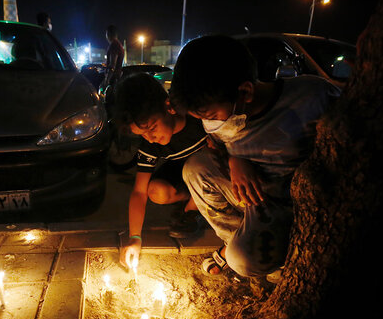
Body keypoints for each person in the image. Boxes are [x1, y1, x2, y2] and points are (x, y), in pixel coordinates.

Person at [170, 35, 340, 287]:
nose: (211, 124)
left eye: (212, 115)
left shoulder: (311, 97)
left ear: (245, 92)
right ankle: (235, 238)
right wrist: (234, 162)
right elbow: (216, 147)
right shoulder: (221, 116)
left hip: (288, 205)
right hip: (251, 192)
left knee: (243, 262)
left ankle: (264, 254)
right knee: (195, 169)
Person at [115, 73, 207, 269]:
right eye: (142, 134)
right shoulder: (150, 146)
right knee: (155, 190)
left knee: (198, 166)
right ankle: (191, 198)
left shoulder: (198, 121)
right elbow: (139, 192)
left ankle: (193, 210)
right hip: (183, 174)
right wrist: (135, 238)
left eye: (152, 127)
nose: (150, 138)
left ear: (168, 107)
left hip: (209, 169)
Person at [102, 25, 124, 94]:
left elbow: (112, 65)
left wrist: (107, 80)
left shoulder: (114, 45)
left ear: (108, 34)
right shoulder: (119, 45)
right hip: (116, 79)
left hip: (113, 80)